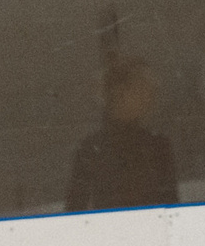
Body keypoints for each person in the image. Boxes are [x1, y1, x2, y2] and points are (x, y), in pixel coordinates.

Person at [64, 55, 179, 212]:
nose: (151, 97)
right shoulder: (91, 150)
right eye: (142, 88)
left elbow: (171, 208)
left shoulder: (159, 146)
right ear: (120, 92)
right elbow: (75, 211)